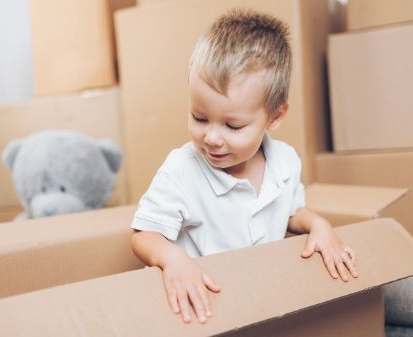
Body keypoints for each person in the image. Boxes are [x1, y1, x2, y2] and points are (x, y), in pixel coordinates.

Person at [130, 8, 358, 324]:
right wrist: (172, 260)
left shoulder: (285, 162)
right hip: (201, 308)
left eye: (233, 126)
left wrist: (319, 225)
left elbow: (291, 211)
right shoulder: (182, 170)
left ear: (275, 117)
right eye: (199, 117)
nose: (211, 137)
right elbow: (144, 234)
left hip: (260, 301)